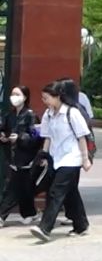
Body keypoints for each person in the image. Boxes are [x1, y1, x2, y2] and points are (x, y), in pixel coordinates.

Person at [30, 82, 91, 242]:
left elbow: (82, 137)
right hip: (56, 158)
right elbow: (48, 137)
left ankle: (45, 228)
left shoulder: (72, 113)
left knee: (56, 192)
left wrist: (85, 159)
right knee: (70, 193)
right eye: (43, 98)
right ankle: (81, 225)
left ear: (58, 97)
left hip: (72, 158)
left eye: (47, 98)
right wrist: (44, 155)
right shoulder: (48, 114)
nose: (45, 101)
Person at [0, 86, 41, 226]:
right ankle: (30, 213)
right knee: (24, 187)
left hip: (25, 158)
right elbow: (2, 128)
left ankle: (1, 215)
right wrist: (3, 137)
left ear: (24, 97)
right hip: (12, 157)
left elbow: (36, 137)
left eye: (17, 94)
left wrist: (20, 138)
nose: (14, 97)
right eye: (12, 94)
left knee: (12, 188)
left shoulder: (31, 116)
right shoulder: (9, 116)